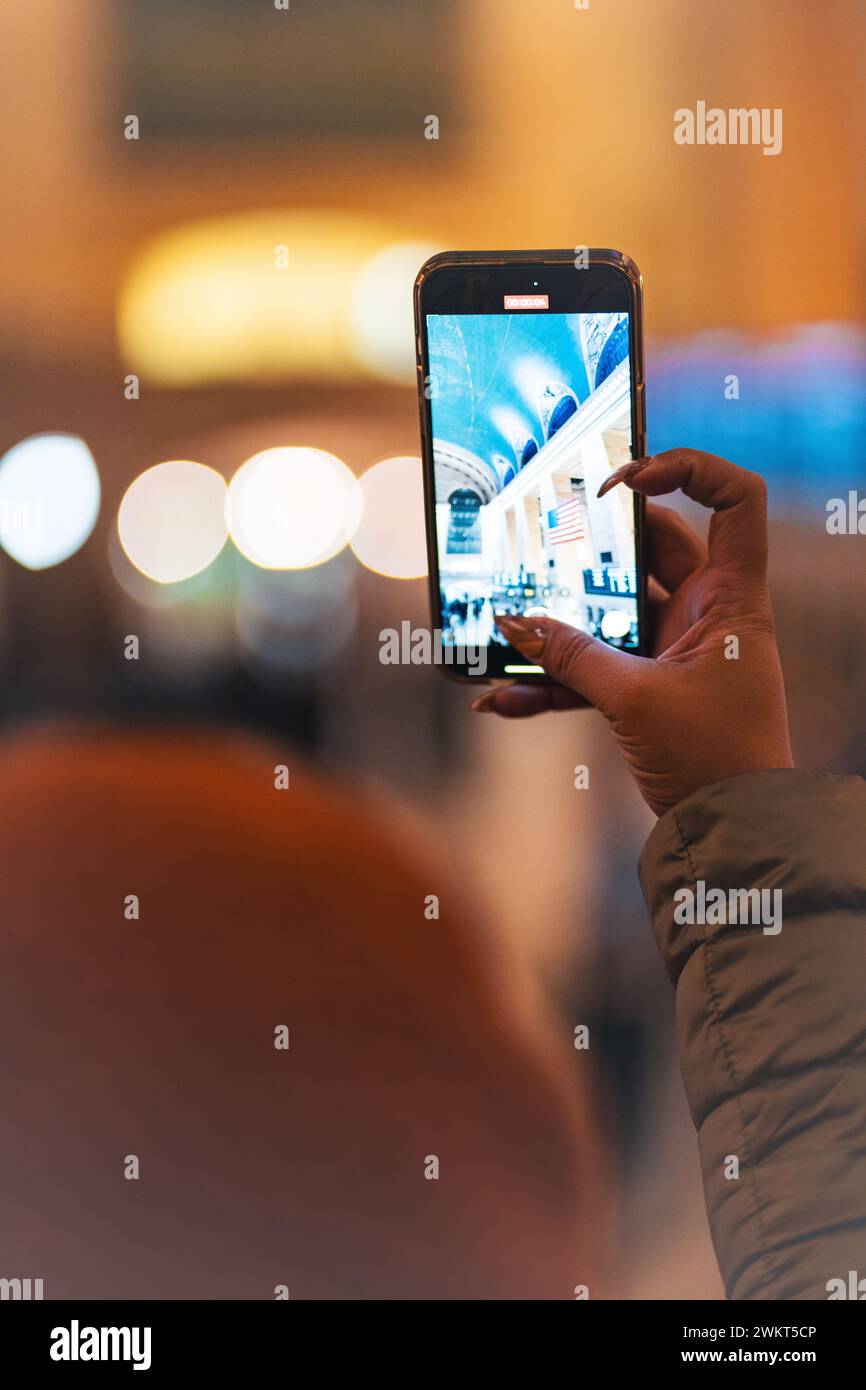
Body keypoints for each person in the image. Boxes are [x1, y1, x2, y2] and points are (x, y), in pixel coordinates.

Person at [471, 448, 866, 1300]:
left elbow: (824, 1253)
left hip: (626, 936)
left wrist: (737, 805)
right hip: (603, 934)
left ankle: (604, 1220)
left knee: (616, 1087)